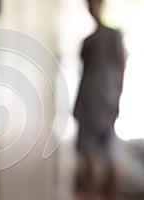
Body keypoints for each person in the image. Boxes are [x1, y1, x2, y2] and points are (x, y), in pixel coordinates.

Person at [74, 0, 125, 199]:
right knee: (89, 158)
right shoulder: (88, 41)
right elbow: (85, 74)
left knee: (111, 157)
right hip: (88, 104)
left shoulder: (114, 36)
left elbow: (122, 68)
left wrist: (118, 100)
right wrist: (77, 105)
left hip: (107, 104)